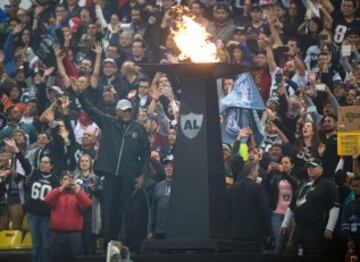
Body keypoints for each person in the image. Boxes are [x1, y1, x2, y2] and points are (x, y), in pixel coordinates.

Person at [71, 80, 150, 247]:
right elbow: (91, 111)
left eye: (128, 110)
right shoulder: (109, 122)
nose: (126, 113)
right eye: (122, 110)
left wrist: (142, 175)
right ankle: (111, 245)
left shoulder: (138, 129)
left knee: (130, 212)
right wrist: (80, 95)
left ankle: (130, 244)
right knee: (110, 211)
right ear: (117, 112)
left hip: (129, 176)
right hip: (111, 175)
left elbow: (145, 155)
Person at [4, 138, 59, 262]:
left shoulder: (55, 180)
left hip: (46, 216)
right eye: (42, 162)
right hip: (33, 215)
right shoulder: (34, 173)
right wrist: (16, 150)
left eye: (46, 162)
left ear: (51, 166)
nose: (43, 164)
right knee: (35, 245)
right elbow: (24, 163)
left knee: (45, 245)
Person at [281, 159, 340, 255]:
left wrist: (330, 227)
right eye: (309, 167)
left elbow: (335, 206)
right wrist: (285, 223)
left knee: (313, 254)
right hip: (298, 226)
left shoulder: (328, 184)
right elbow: (292, 205)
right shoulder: (303, 183)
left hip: (315, 227)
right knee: (290, 252)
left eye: (313, 167)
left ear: (321, 169)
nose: (310, 169)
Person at [45, 170, 92, 262]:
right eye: (65, 179)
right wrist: (62, 188)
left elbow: (87, 204)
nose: (68, 181)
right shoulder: (56, 193)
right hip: (56, 234)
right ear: (60, 181)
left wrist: (78, 191)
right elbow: (47, 199)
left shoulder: (78, 195)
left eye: (71, 179)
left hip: (74, 235)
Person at [228, 162, 268, 252]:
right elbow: (263, 211)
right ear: (252, 172)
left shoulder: (232, 188)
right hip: (253, 234)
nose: (258, 174)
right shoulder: (257, 187)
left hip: (234, 232)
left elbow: (227, 209)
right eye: (257, 171)